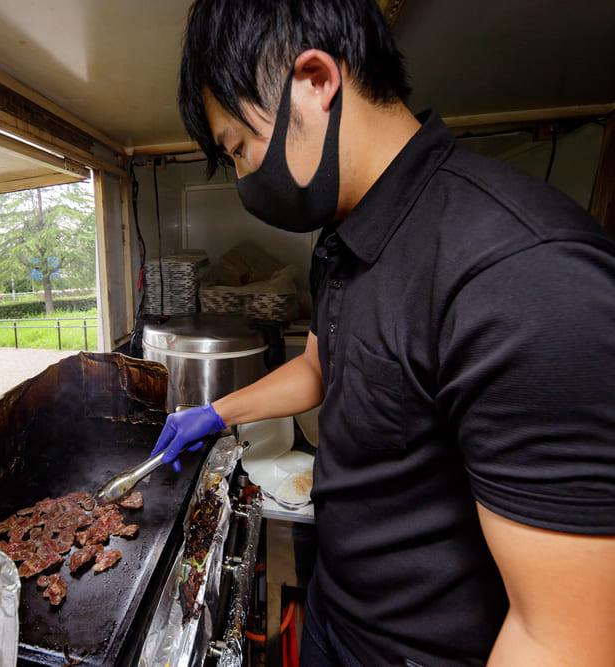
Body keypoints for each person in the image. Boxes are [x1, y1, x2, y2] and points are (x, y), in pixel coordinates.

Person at [154, 1, 615, 664]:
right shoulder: (343, 237)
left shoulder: (521, 274)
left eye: (239, 149)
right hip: (336, 614)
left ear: (315, 83)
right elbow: (322, 365)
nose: (244, 176)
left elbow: (562, 637)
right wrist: (215, 413)